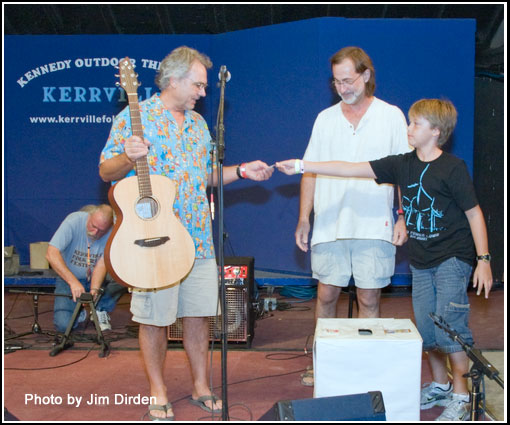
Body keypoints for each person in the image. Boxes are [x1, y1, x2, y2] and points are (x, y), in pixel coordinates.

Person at [276, 98, 493, 421]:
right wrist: (303, 165)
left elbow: (474, 214)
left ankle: (462, 396)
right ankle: (441, 384)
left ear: (435, 131)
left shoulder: (452, 168)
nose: (408, 128)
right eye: (409, 122)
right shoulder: (402, 164)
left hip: (452, 258)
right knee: (429, 329)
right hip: (421, 262)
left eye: (415, 124)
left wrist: (484, 260)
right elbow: (351, 168)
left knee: (451, 329)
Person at [99, 46, 273, 420]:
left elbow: (207, 176)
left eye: (205, 86)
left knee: (198, 315)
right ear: (173, 80)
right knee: (154, 318)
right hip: (151, 239)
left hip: (197, 237)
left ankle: (200, 386)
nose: (203, 93)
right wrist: (129, 156)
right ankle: (158, 390)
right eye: (198, 84)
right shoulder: (135, 117)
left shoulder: (198, 124)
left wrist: (242, 171)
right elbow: (106, 172)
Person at [296, 46, 410, 386]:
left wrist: (402, 214)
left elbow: (404, 171)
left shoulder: (391, 116)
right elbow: (309, 172)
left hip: (375, 224)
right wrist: (304, 218)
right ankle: (322, 364)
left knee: (369, 297)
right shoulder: (325, 119)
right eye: (336, 82)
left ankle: (367, 368)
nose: (343, 87)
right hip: (329, 223)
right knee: (326, 295)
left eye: (348, 80)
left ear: (366, 75)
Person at [47, 204, 126, 333]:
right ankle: (80, 311)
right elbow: (51, 253)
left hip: (95, 276)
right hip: (70, 277)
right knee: (63, 325)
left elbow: (102, 263)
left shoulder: (113, 231)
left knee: (124, 275)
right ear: (89, 216)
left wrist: (94, 290)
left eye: (101, 231)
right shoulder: (73, 221)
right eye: (93, 226)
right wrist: (73, 282)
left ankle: (100, 308)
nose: (95, 232)